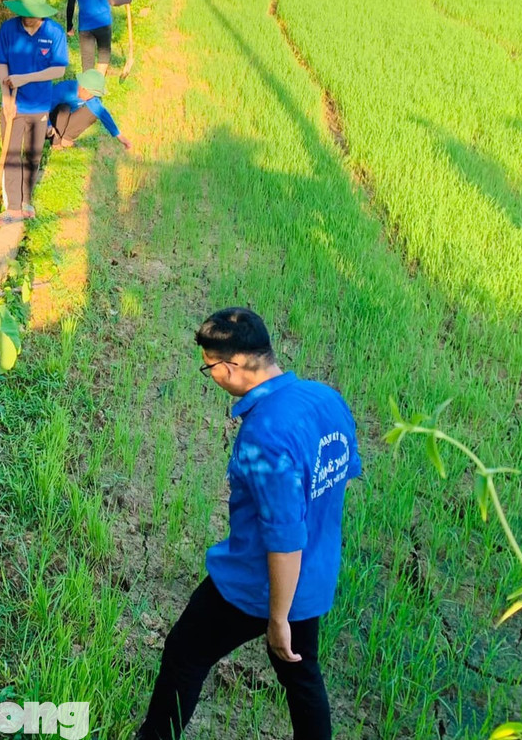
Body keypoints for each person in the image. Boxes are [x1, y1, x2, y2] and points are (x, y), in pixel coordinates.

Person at [137, 308, 360, 740]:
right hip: (312, 578)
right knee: (301, 675)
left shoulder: (265, 434)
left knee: (185, 654)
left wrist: (277, 618)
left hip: (257, 585)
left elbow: (285, 536)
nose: (212, 377)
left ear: (232, 365)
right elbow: (337, 482)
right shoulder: (325, 400)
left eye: (210, 368)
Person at [0, 0, 68, 225]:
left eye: (32, 14)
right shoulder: (8, 29)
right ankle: (13, 207)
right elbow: (2, 63)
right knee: (12, 155)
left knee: (33, 156)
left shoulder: (54, 33)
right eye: (23, 12)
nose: (27, 18)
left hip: (40, 106)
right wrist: (6, 99)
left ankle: (26, 201)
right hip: (14, 107)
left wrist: (24, 78)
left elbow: (58, 70)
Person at [45, 69, 133, 151]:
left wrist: (120, 136)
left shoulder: (88, 97)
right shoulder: (63, 90)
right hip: (49, 121)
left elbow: (103, 114)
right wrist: (49, 127)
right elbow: (43, 108)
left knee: (92, 113)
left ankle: (66, 138)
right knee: (65, 108)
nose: (93, 97)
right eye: (92, 94)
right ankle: (55, 142)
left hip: (64, 121)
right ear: (83, 89)